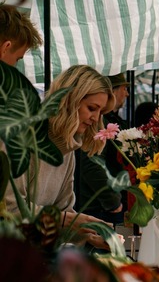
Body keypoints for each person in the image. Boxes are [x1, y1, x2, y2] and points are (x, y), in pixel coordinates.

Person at [5, 65, 116, 250]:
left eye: (101, 112)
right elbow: (10, 209)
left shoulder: (67, 149)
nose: (96, 119)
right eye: (91, 108)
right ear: (69, 100)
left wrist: (90, 234)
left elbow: (64, 214)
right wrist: (68, 219)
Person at [75, 73, 130, 224]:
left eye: (100, 112)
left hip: (99, 205)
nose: (127, 93)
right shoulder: (95, 125)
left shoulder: (106, 121)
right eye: (124, 88)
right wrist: (112, 200)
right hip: (97, 208)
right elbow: (91, 163)